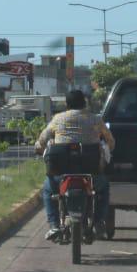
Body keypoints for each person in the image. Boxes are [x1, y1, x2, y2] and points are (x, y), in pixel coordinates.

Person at [36, 89, 115, 243]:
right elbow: (109, 140)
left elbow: (43, 139)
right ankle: (99, 222)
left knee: (47, 190)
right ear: (84, 103)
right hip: (91, 173)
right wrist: (109, 149)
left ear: (66, 104)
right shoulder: (95, 119)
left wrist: (38, 148)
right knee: (103, 187)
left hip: (61, 173)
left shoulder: (57, 119)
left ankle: (54, 225)